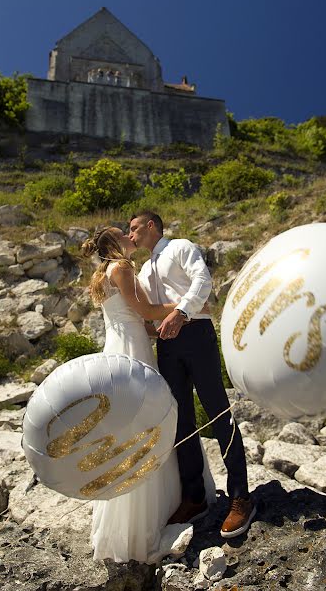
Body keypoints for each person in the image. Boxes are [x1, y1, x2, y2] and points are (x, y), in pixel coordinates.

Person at [81, 226, 215, 563]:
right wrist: (190, 306)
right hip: (132, 351)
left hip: (120, 346)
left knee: (129, 426)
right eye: (122, 234)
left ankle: (133, 518)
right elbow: (145, 311)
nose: (130, 236)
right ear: (115, 243)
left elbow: (138, 321)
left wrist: (164, 324)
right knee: (148, 421)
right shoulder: (122, 267)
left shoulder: (103, 272)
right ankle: (152, 516)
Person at [129, 211, 256, 538]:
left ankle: (241, 496)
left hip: (196, 332)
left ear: (152, 225)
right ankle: (195, 496)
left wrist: (181, 312)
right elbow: (144, 309)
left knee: (218, 410)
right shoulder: (144, 269)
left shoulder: (181, 247)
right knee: (179, 418)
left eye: (134, 229)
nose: (131, 236)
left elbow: (203, 280)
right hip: (167, 345)